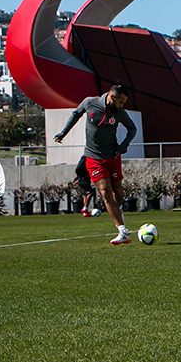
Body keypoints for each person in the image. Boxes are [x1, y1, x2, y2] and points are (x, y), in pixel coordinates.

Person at [54, 83, 137, 245]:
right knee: (105, 192)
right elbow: (76, 114)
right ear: (111, 97)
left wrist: (124, 145)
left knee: (118, 194)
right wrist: (63, 133)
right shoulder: (90, 103)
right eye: (120, 102)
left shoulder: (120, 113)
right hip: (93, 157)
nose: (122, 105)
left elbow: (132, 129)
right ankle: (122, 231)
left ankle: (118, 213)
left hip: (113, 156)